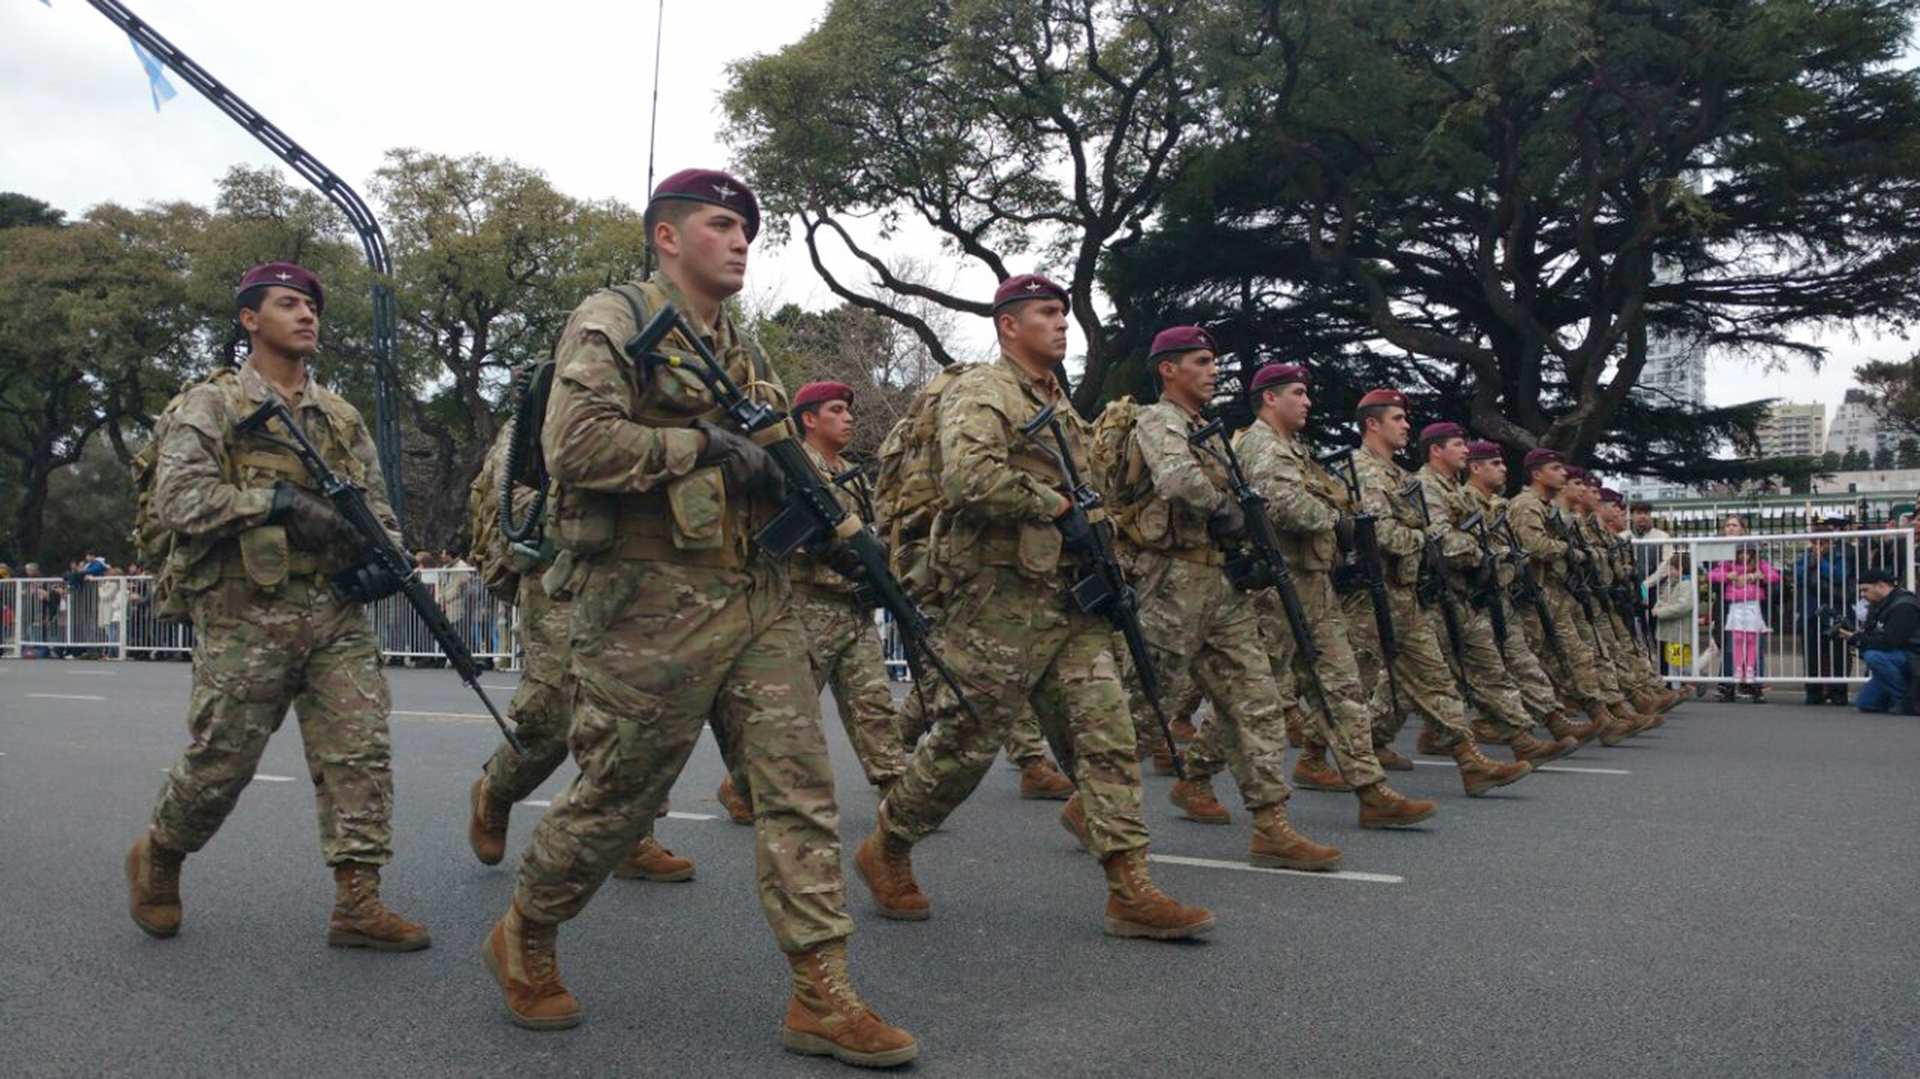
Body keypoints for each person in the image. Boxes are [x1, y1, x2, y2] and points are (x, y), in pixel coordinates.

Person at [485, 168, 916, 1065]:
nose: (740, 240)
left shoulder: (742, 352)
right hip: (648, 603)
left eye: (748, 228)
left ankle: (822, 992)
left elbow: (779, 455)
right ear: (667, 236)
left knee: (798, 789)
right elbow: (574, 444)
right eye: (721, 224)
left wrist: (849, 539)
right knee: (618, 795)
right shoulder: (614, 320)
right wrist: (701, 446)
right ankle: (527, 927)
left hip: (755, 598)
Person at [855, 273, 1214, 943]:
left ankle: (1129, 886)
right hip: (1000, 602)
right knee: (963, 748)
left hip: (1071, 604)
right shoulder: (984, 390)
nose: (1063, 323)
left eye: (1064, 312)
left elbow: (1090, 491)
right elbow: (971, 477)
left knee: (1106, 734)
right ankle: (889, 843)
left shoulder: (1062, 405)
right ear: (1009, 326)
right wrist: (1050, 504)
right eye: (1047, 313)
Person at [125, 262, 430, 952]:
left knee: (360, 749)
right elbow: (180, 500)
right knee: (222, 761)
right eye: (288, 303)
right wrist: (279, 502)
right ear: (249, 320)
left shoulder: (341, 416)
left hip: (332, 612)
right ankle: (162, 855)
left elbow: (378, 510)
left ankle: (358, 900)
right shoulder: (214, 405)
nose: (306, 315)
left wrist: (384, 560)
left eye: (312, 306)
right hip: (243, 613)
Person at [1099, 327, 1341, 869]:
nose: (1214, 371)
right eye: (1202, 362)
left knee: (1256, 698)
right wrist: (1226, 509)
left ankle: (1272, 824)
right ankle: (1089, 800)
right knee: (1144, 708)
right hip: (1172, 582)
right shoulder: (1158, 419)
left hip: (1220, 585)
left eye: (1214, 362)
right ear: (1169, 369)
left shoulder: (1205, 430)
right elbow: (1179, 481)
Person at [463, 415, 695, 886]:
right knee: (553, 718)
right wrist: (594, 503)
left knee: (641, 709)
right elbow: (511, 499)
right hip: (560, 576)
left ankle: (633, 838)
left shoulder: (653, 404)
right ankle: (496, 790)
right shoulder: (544, 405)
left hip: (636, 577)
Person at [1219, 362, 1436, 828]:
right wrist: (1342, 523)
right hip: (1279, 589)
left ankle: (1371, 790)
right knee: (1255, 695)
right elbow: (1284, 505)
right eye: (1298, 392)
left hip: (1315, 584)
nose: (1308, 401)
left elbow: (1328, 497)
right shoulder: (1260, 445)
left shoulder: (1295, 450)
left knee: (1343, 688)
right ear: (1270, 398)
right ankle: (1196, 774)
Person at [1338, 389, 1533, 794]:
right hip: (1369, 597)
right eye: (1397, 418)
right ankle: (1313, 759)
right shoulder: (1362, 470)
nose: (1407, 424)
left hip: (1405, 594)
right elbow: (1379, 533)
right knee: (1346, 686)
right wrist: (1424, 539)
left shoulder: (1400, 477)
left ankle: (1470, 762)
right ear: (1372, 424)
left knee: (1435, 680)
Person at [784, 380, 923, 798]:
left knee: (875, 704)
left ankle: (894, 785)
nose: (848, 419)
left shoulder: (850, 473)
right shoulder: (793, 465)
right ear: (809, 419)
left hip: (853, 606)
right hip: (807, 607)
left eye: (848, 411)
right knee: (792, 714)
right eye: (836, 411)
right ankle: (742, 786)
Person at [1410, 423, 1576, 763]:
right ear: (1436, 450)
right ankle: (1335, 744)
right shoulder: (1425, 486)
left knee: (1487, 667)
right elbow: (1442, 540)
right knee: (1421, 677)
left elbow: (1481, 539)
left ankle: (1522, 738)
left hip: (1465, 593)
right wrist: (1488, 553)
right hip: (1436, 595)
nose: (1465, 450)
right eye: (1458, 444)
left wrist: (1490, 553)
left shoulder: (1454, 489)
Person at [1507, 450, 1655, 744]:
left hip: (1558, 596)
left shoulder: (1547, 508)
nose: (1563, 475)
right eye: (1556, 468)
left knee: (1575, 655)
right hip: (1536, 595)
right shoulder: (1526, 505)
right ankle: (1505, 723)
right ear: (1537, 474)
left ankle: (1603, 715)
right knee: (1525, 661)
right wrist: (1570, 552)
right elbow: (1534, 546)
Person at [1461, 441, 1599, 746]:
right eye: (1495, 464)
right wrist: (1568, 551)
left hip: (1510, 592)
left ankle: (1550, 722)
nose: (1503, 468)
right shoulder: (1511, 504)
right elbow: (1532, 546)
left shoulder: (1497, 503)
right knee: (1487, 665)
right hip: (1482, 596)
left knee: (1520, 660)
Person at [1707, 547, 1780, 702]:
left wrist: (1753, 576)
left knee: (1754, 645)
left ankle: (1755, 684)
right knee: (1734, 645)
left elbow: (1774, 576)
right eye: (1740, 553)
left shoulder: (1760, 563)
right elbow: (1712, 575)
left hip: (1753, 606)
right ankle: (1732, 682)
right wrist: (1727, 575)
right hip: (1736, 606)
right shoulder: (1729, 565)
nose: (1744, 556)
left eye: (1747, 553)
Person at [1840, 567, 1917, 712]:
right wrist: (1855, 638)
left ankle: (1905, 701)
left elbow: (1890, 642)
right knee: (1865, 703)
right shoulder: (1878, 606)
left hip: (1913, 657)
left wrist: (1859, 639)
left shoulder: (1905, 606)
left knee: (1874, 656)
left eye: (1865, 590)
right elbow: (1874, 637)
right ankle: (1895, 696)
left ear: (1881, 585)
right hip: (1898, 658)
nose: (1862, 595)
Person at [1795, 523, 1856, 705]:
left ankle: (1839, 693)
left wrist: (1821, 563)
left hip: (1834, 612)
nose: (1818, 545)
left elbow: (1839, 576)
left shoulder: (1839, 556)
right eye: (1814, 542)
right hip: (1810, 611)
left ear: (1831, 542)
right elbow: (1798, 576)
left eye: (1823, 542)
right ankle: (1814, 692)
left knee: (1838, 654)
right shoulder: (1805, 557)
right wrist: (1811, 562)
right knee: (1812, 654)